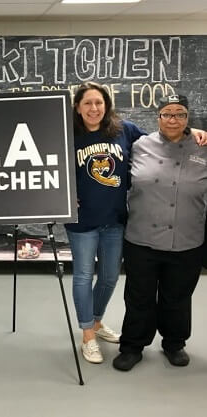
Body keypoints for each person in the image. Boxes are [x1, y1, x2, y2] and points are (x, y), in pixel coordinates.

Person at [112, 95, 207, 371]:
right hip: (141, 238)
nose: (173, 119)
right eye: (167, 114)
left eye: (179, 114)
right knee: (138, 296)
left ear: (188, 118)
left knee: (177, 296)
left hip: (187, 238)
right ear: (158, 117)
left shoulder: (202, 146)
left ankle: (174, 343)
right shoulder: (140, 145)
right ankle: (132, 346)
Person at [64, 82, 143, 364]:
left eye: (99, 103)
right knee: (84, 277)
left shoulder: (126, 130)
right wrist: (62, 195)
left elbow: (160, 145)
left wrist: (189, 131)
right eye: (88, 103)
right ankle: (87, 334)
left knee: (109, 277)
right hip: (82, 222)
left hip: (115, 219)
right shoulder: (66, 134)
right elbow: (47, 166)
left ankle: (96, 322)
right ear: (77, 107)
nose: (94, 108)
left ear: (106, 105)